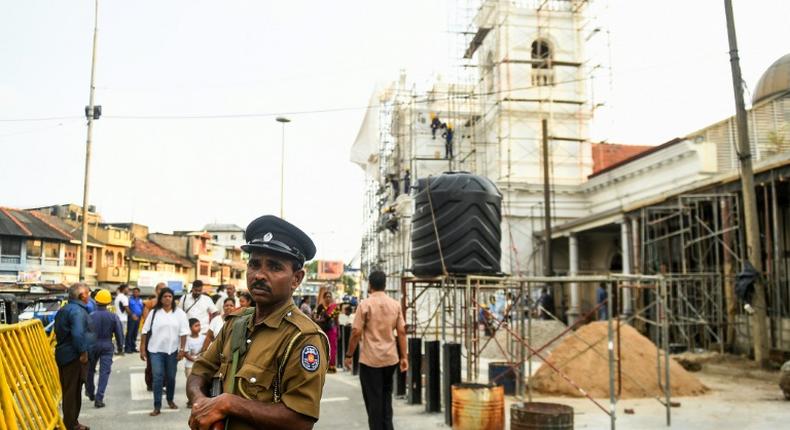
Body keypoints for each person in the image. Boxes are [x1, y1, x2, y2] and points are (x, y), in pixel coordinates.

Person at [187, 214, 329, 430]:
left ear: (296, 279)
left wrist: (229, 404)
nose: (259, 275)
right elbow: (200, 371)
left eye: (274, 267)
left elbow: (301, 419)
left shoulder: (303, 338)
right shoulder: (235, 323)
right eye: (254, 264)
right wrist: (201, 403)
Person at [344, 271, 408, 430]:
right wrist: (404, 357)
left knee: (374, 404)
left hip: (370, 361)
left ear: (370, 285)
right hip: (390, 359)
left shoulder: (364, 305)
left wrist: (349, 355)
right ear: (385, 285)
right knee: (386, 401)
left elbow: (356, 332)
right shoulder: (395, 304)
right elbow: (401, 332)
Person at [140, 287, 189, 416]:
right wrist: (142, 348)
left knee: (171, 377)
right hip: (155, 350)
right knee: (157, 377)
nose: (167, 298)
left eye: (170, 296)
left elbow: (184, 333)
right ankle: (157, 406)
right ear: (160, 299)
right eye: (165, 296)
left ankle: (170, 399)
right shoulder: (154, 313)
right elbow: (145, 331)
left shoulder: (179, 314)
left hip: (172, 351)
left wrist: (182, 350)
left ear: (173, 298)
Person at [54, 283, 95, 430]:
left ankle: (72, 422)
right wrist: (83, 352)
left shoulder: (65, 309)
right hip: (73, 356)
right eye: (88, 294)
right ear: (82, 295)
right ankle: (71, 424)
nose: (89, 297)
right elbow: (78, 334)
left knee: (72, 390)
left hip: (66, 354)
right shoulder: (77, 311)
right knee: (72, 391)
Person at [85, 289, 124, 408]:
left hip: (92, 345)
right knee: (104, 372)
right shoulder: (113, 316)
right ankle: (99, 398)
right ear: (108, 302)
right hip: (107, 345)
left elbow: (85, 333)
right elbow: (119, 333)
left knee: (90, 370)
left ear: (96, 301)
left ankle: (90, 392)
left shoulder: (90, 316)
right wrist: (120, 347)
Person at [141, 282, 166, 392]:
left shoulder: (170, 305)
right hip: (152, 336)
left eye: (164, 289)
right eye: (160, 289)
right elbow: (147, 323)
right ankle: (150, 383)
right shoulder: (149, 304)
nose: (162, 291)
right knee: (151, 362)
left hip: (166, 336)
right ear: (156, 291)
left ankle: (161, 384)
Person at [313, 287, 339, 373]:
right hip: (322, 329)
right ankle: (322, 365)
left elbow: (336, 320)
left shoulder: (335, 307)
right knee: (322, 346)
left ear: (331, 298)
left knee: (332, 347)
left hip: (332, 329)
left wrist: (338, 330)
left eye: (329, 296)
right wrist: (320, 320)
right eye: (326, 296)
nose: (328, 298)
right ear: (324, 298)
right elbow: (316, 318)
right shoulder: (320, 307)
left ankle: (331, 366)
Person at [184, 318, 205, 407]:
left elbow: (205, 349)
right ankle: (190, 400)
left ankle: (198, 400)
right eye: (196, 326)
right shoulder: (187, 339)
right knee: (190, 383)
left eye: (199, 325)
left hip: (200, 364)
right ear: (190, 328)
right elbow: (185, 353)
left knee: (199, 383)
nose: (198, 327)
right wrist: (194, 359)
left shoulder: (203, 338)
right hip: (190, 365)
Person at [126, 287, 143, 353]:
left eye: (137, 292)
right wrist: (132, 315)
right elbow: (127, 308)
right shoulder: (129, 299)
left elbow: (142, 308)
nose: (135, 293)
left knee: (135, 333)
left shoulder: (140, 300)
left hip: (138, 318)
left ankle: (133, 347)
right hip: (132, 318)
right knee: (130, 333)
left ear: (139, 293)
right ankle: (128, 348)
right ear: (133, 293)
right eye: (134, 292)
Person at [114, 284, 131, 352]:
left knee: (118, 334)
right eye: (127, 288)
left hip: (118, 317)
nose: (128, 290)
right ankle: (119, 349)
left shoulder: (118, 296)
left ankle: (117, 349)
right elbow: (126, 308)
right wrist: (132, 315)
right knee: (121, 334)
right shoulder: (124, 297)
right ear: (124, 289)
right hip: (122, 319)